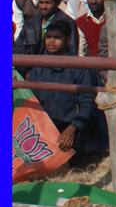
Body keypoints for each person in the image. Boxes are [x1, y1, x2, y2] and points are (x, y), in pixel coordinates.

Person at [24, 20, 97, 157]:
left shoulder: (80, 67)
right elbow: (29, 97)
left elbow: (88, 103)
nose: (51, 41)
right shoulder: (38, 65)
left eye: (57, 37)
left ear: (68, 39)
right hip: (41, 126)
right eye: (48, 37)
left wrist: (73, 128)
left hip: (70, 128)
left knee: (63, 159)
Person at [14, 0, 79, 59]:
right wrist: (27, 69)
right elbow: (18, 48)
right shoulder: (30, 23)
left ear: (57, 3)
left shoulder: (68, 22)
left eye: (47, 3)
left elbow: (72, 50)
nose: (43, 6)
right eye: (41, 2)